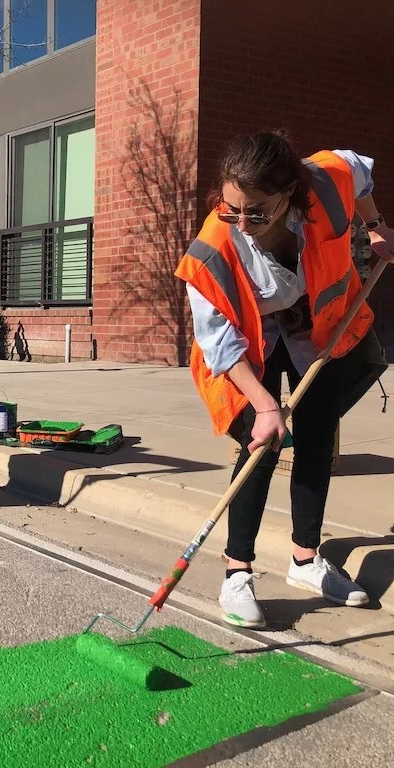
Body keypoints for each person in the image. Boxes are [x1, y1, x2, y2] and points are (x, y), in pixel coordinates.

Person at [176, 131, 393, 629]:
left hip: (315, 330)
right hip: (248, 347)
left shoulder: (323, 182)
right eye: (232, 208)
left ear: (289, 194)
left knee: (316, 441)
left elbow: (358, 169)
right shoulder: (212, 249)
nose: (244, 222)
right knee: (261, 447)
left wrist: (376, 226)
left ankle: (305, 561)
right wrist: (266, 406)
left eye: (258, 211)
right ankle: (237, 571)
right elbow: (220, 344)